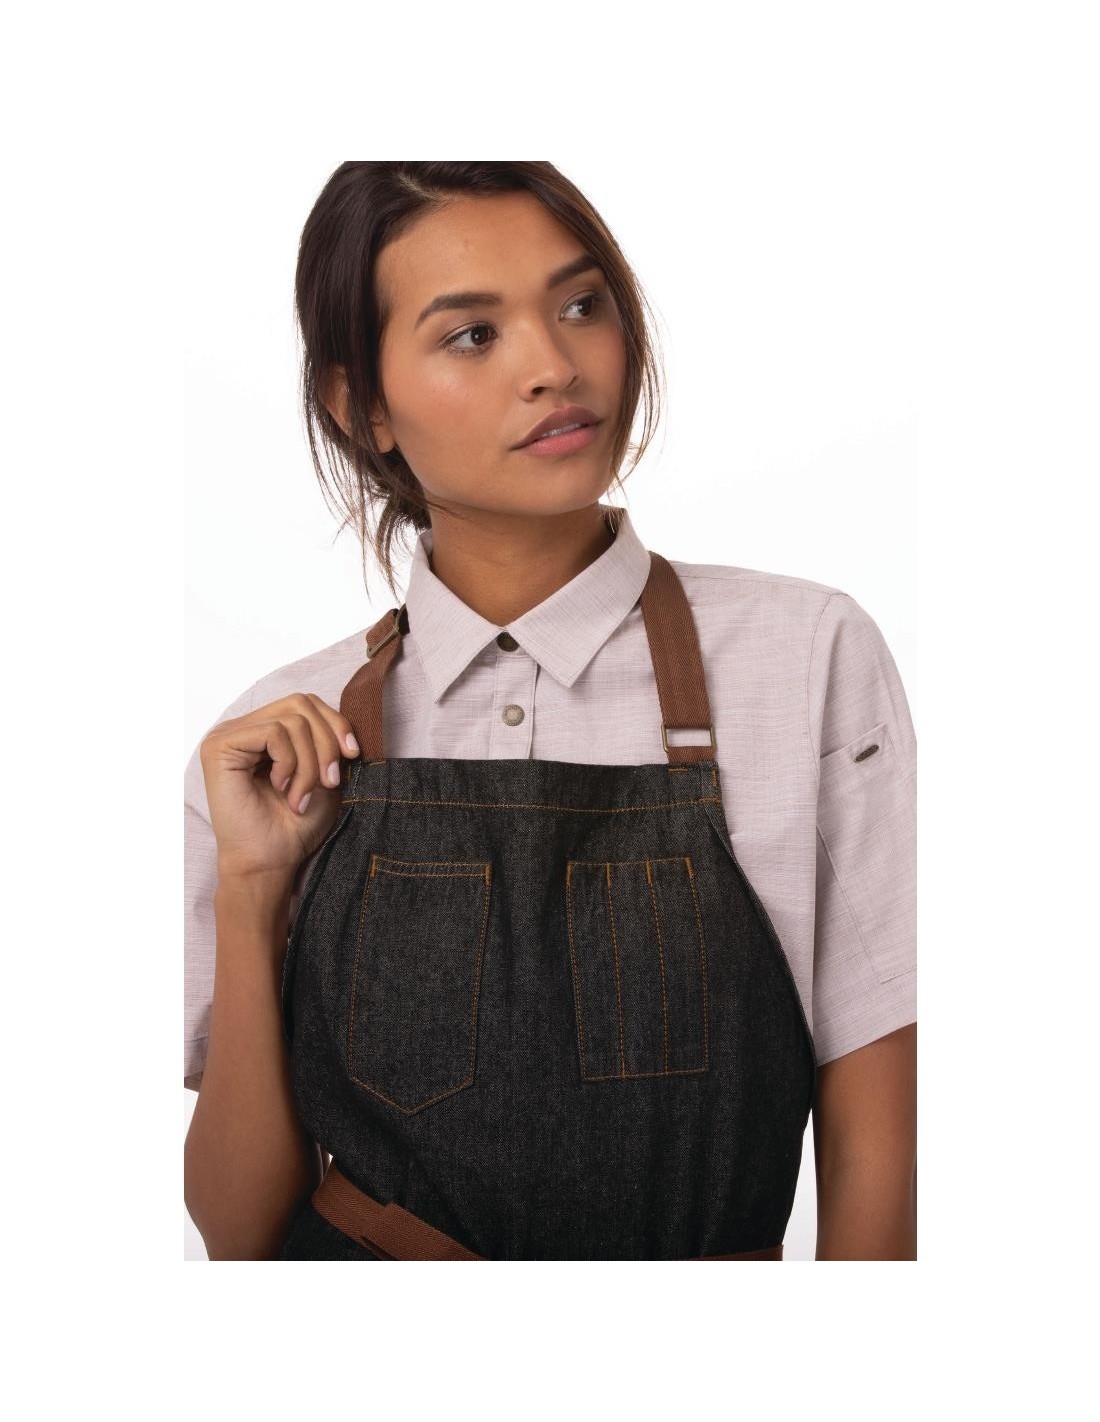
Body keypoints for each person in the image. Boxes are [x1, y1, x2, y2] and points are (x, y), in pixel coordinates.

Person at [184, 161, 917, 1261]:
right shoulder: (277, 744)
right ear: (361, 405)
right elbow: (236, 1234)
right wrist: (252, 889)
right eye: (472, 334)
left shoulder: (803, 657)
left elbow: (878, 1166)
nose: (554, 366)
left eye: (580, 305)